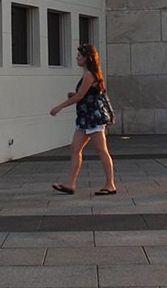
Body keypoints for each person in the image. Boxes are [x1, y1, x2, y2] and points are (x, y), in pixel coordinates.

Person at [51, 43, 119, 195]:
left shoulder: (89, 75)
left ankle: (110, 184)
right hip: (84, 119)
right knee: (75, 149)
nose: (77, 58)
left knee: (101, 151)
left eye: (79, 56)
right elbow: (85, 95)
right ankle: (70, 184)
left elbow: (81, 96)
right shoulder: (87, 73)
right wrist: (73, 96)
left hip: (93, 119)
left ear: (87, 58)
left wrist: (60, 106)